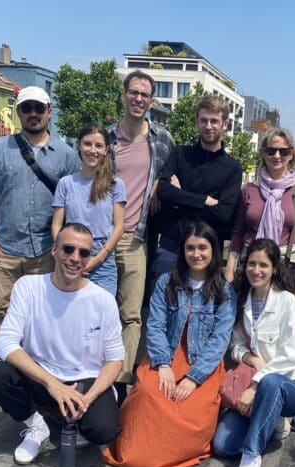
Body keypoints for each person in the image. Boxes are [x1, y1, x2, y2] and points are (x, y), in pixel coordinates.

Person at [0, 223, 124, 465]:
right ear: (54, 250)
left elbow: (115, 359)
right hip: (41, 377)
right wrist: (53, 384)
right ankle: (37, 426)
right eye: (68, 249)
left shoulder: (103, 300)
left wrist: (88, 399)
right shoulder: (28, 286)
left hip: (84, 379)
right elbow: (5, 342)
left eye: (84, 252)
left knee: (104, 431)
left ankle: (71, 421)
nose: (75, 258)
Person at [102, 221, 235, 467]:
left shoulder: (224, 291)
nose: (196, 254)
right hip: (165, 355)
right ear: (182, 251)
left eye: (203, 248)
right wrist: (163, 364)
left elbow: (220, 340)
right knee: (149, 395)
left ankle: (174, 450)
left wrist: (194, 378)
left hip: (202, 363)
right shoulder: (166, 282)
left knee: (190, 408)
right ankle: (137, 452)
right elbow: (155, 325)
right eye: (190, 248)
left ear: (213, 251)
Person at [0, 86, 81, 372]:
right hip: (5, 246)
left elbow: (76, 202)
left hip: (46, 250)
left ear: (49, 112)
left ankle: (34, 367)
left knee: (41, 312)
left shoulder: (66, 155)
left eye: (38, 108)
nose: (33, 114)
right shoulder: (0, 147)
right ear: (19, 112)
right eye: (26, 108)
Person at [212, 238, 295, 467]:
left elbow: (291, 356)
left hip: (291, 386)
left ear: (275, 268)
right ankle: (267, 419)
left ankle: (251, 454)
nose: (256, 270)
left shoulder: (288, 301)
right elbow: (235, 344)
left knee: (272, 383)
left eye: (264, 265)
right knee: (222, 446)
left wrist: (255, 385)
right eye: (252, 264)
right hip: (252, 382)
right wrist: (251, 358)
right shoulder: (242, 299)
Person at [106, 70, 176, 394]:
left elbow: (172, 173)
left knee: (132, 315)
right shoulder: (106, 138)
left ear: (151, 101)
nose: (138, 99)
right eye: (133, 92)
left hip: (136, 238)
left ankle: (119, 382)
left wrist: (161, 183)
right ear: (124, 95)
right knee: (99, 311)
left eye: (144, 95)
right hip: (102, 237)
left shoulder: (161, 139)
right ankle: (95, 373)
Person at [226, 127, 295, 299]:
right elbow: (238, 231)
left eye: (283, 151)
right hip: (252, 265)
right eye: (271, 151)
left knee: (283, 313)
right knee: (248, 312)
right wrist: (230, 269)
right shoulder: (249, 190)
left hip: (286, 265)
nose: (277, 156)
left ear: (291, 155)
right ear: (263, 153)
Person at [153, 95, 242, 276]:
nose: (208, 126)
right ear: (196, 122)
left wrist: (179, 199)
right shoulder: (180, 153)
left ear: (225, 124)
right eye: (204, 120)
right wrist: (204, 200)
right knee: (163, 293)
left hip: (206, 253)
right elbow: (163, 190)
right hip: (172, 246)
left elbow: (224, 215)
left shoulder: (233, 168)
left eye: (214, 121)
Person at [52, 124, 126, 295]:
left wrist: (97, 258)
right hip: (71, 255)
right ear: (79, 145)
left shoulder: (115, 184)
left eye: (98, 146)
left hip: (103, 259)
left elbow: (119, 227)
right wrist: (63, 252)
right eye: (87, 144)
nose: (93, 150)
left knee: (102, 309)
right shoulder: (66, 183)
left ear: (106, 150)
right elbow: (56, 225)